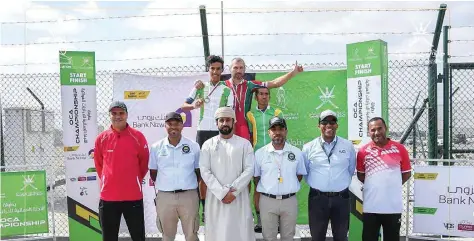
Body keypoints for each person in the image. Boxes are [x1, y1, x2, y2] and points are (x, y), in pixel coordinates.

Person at [195, 57, 303, 141]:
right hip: (224, 125)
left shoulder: (250, 85)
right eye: (235, 67)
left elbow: (274, 83)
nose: (238, 70)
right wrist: (198, 83)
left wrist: (293, 73)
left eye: (241, 68)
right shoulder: (221, 84)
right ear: (230, 69)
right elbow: (206, 85)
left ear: (244, 69)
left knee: (244, 156)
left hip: (242, 125)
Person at [181, 54, 234, 222]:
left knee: (222, 171)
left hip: (220, 133)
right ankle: (205, 209)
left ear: (222, 70)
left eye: (218, 69)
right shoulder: (199, 86)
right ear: (208, 69)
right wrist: (193, 105)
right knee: (203, 173)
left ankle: (220, 205)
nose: (215, 72)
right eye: (212, 68)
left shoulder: (227, 90)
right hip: (203, 132)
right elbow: (184, 106)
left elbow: (229, 115)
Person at [93, 101, 149, 241]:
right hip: (108, 198)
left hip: (133, 196)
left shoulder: (138, 137)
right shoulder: (101, 138)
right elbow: (99, 164)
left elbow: (144, 163)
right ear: (109, 116)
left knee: (138, 237)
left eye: (121, 113)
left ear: (127, 115)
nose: (118, 116)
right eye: (114, 113)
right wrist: (109, 180)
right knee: (109, 238)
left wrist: (133, 179)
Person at [199, 106, 255, 241]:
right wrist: (222, 193)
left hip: (238, 198)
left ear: (233, 122)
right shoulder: (208, 145)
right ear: (216, 123)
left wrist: (233, 192)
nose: (224, 123)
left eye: (228, 120)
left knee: (240, 233)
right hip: (216, 198)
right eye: (221, 120)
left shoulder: (244, 144)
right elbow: (205, 171)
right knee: (217, 234)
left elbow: (249, 170)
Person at [302, 110, 356, 241]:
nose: (328, 125)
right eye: (324, 122)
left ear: (337, 125)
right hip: (317, 198)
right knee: (317, 237)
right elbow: (306, 173)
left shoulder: (348, 146)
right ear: (319, 125)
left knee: (341, 237)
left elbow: (350, 169)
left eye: (332, 122)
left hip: (341, 198)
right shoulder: (308, 147)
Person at [356, 117, 412, 241]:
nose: (376, 133)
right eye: (373, 130)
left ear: (385, 128)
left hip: (392, 207)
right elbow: (361, 175)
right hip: (371, 207)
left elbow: (406, 174)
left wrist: (392, 185)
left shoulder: (400, 149)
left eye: (379, 128)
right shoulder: (363, 152)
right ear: (369, 132)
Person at [148, 112, 201, 241]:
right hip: (165, 197)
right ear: (165, 126)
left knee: (191, 235)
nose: (173, 127)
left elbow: (198, 172)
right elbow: (153, 173)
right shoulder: (156, 147)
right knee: (167, 236)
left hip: (189, 196)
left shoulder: (193, 146)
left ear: (182, 126)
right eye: (169, 124)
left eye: (176, 124)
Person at [254, 116, 307, 241]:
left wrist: (286, 187)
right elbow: (256, 177)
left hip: (289, 201)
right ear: (269, 132)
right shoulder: (260, 153)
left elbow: (299, 175)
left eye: (281, 129)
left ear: (286, 131)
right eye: (274, 129)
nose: (277, 132)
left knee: (288, 237)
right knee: (268, 237)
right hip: (267, 200)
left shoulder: (296, 152)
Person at [246, 86, 283, 232]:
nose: (264, 96)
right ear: (256, 97)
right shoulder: (250, 114)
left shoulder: (277, 113)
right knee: (258, 188)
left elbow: (281, 133)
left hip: (274, 154)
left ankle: (278, 221)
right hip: (256, 156)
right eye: (261, 94)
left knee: (277, 186)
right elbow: (248, 135)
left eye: (267, 94)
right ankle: (260, 221)